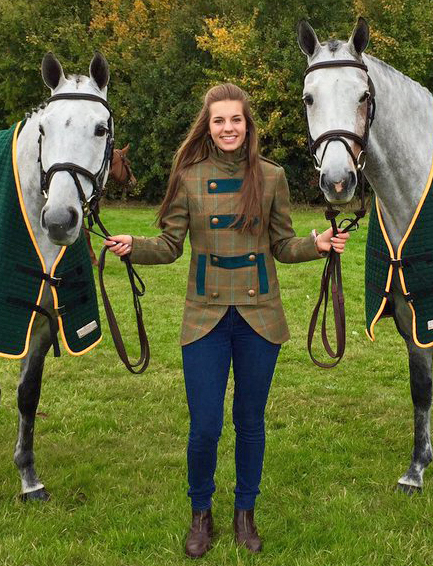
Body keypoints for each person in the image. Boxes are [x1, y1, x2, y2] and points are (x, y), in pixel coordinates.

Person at [106, 83, 349, 557]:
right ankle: (201, 513)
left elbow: (282, 244)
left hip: (260, 317)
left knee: (250, 421)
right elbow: (171, 244)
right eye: (219, 121)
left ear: (247, 124)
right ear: (208, 126)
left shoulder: (272, 176)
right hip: (205, 319)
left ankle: (245, 513)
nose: (228, 128)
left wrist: (316, 246)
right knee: (205, 426)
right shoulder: (189, 175)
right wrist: (136, 245)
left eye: (235, 119)